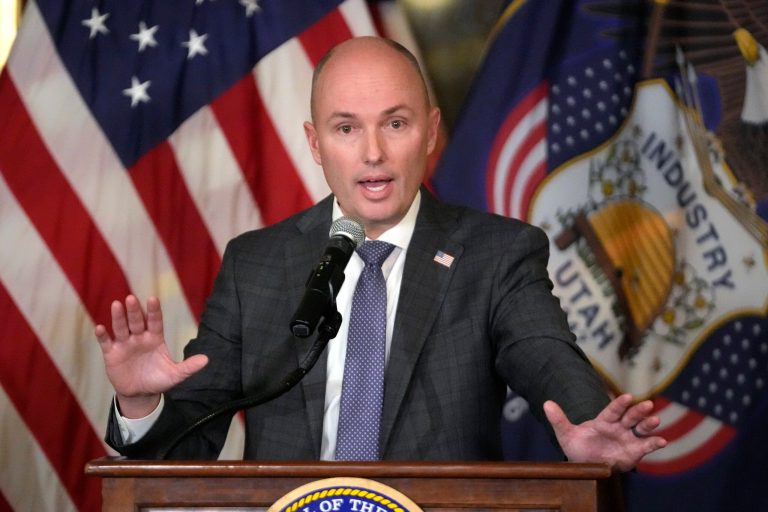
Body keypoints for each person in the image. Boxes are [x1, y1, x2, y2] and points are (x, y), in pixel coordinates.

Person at [95, 36, 666, 470]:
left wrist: (588, 419)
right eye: (346, 129)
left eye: (395, 123)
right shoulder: (256, 265)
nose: (373, 153)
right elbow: (185, 449)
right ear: (315, 143)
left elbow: (546, 356)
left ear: (430, 132)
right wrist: (140, 404)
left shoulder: (496, 255)